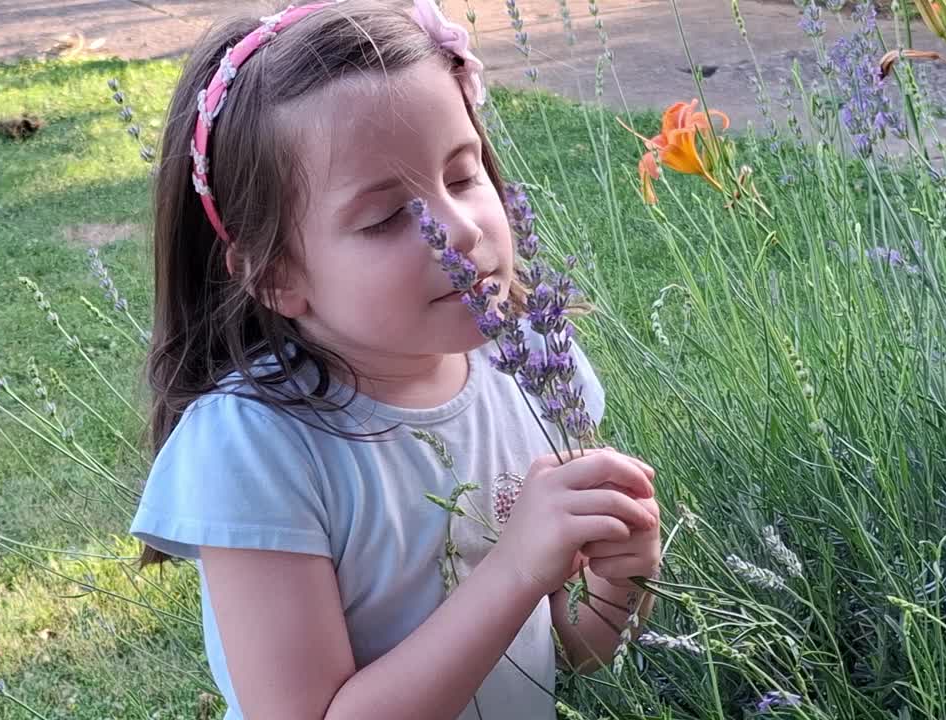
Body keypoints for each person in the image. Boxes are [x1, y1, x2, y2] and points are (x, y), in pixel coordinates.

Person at [130, 1, 661, 718]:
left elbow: (571, 652)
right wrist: (513, 568)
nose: (461, 229)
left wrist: (619, 585)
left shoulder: (535, 368)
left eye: (464, 176)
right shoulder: (253, 447)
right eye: (385, 218)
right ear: (275, 275)